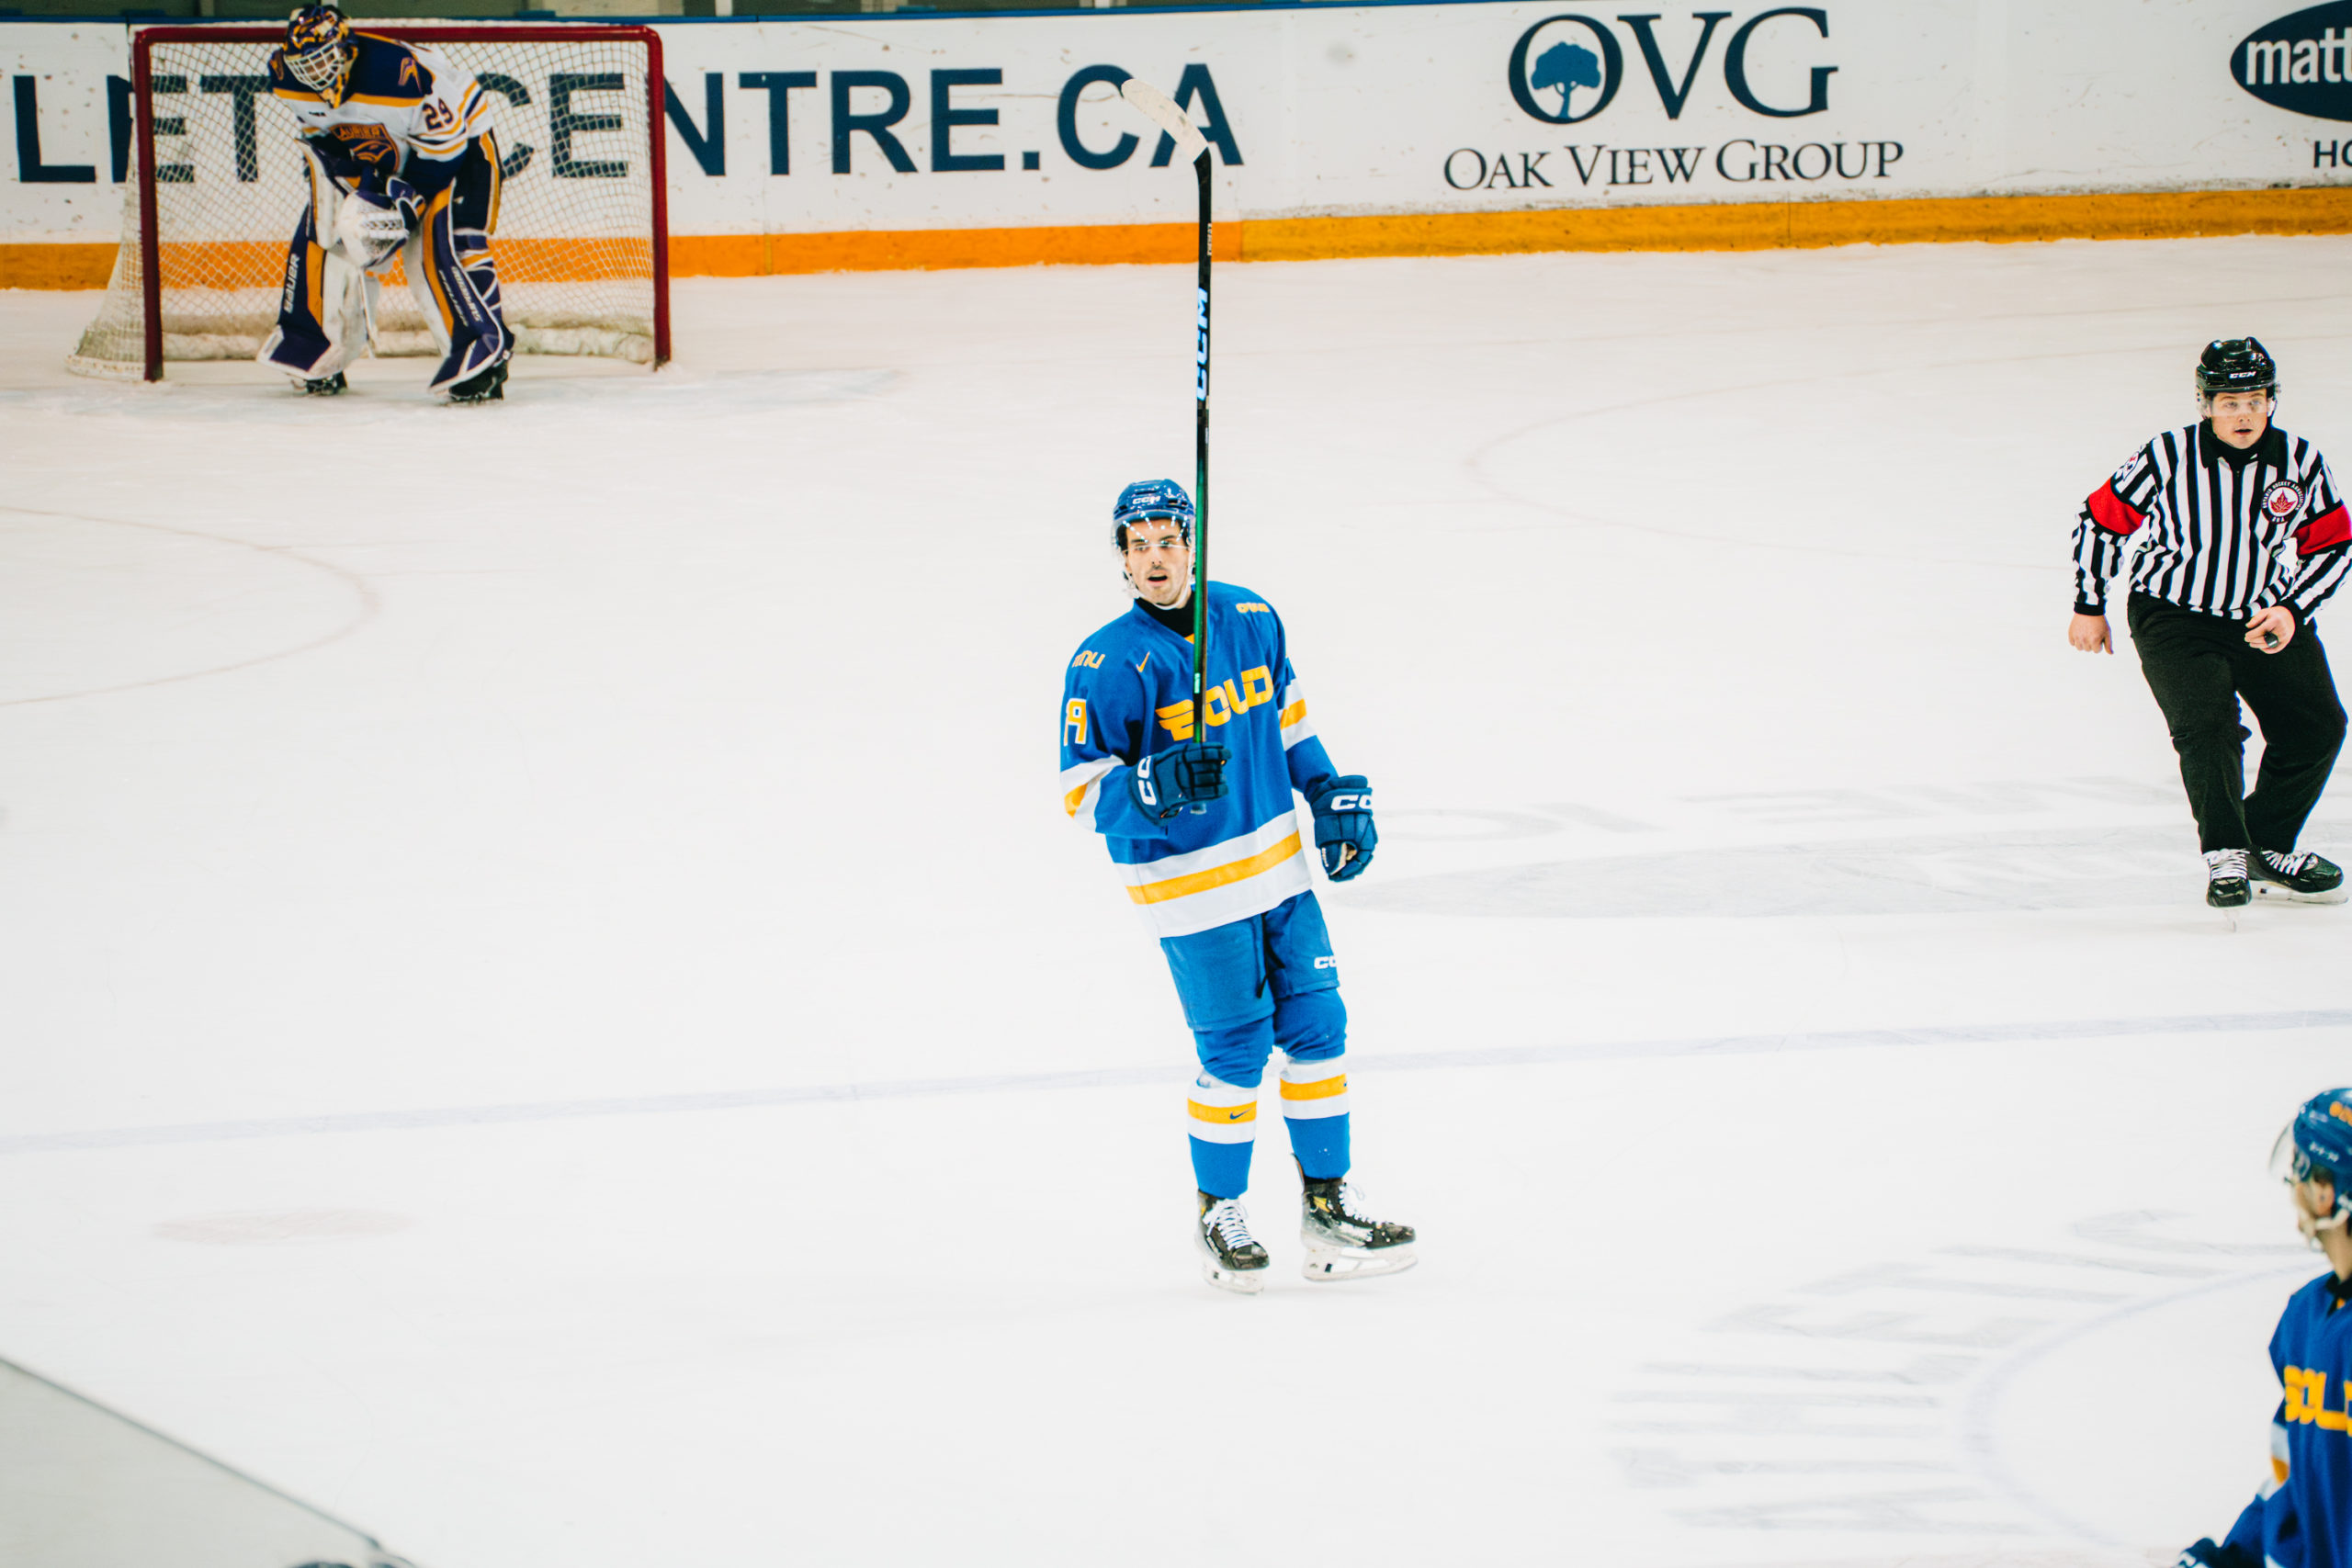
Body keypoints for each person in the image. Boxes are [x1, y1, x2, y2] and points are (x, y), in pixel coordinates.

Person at [1057, 479, 1416, 1293]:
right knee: (1238, 1051)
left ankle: (1329, 1208)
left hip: (1281, 872)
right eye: (1137, 544)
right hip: (1194, 891)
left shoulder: (1251, 618)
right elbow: (1080, 793)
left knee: (1320, 1031)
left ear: (1195, 542)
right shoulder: (1106, 661)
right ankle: (1219, 1211)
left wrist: (1325, 791)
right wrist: (1152, 783)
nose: (1155, 558)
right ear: (1121, 557)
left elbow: (1288, 720)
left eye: (1168, 540)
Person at [2069, 338, 2350, 908]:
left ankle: (2263, 845)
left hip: (2263, 615)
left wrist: (2292, 610)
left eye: (2253, 399)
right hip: (2174, 618)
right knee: (2210, 730)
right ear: (2205, 404)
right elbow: (2100, 522)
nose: (2242, 413)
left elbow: (2334, 544)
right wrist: (2089, 604)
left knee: (2317, 727)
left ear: (2271, 400)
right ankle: (2225, 853)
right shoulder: (2165, 455)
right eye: (2228, 401)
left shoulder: (2300, 460)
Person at [256, 5, 514, 402]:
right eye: (306, 64)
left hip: (459, 143)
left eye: (324, 58)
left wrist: (408, 202)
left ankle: (486, 357)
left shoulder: (399, 74)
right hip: (383, 146)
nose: (316, 73)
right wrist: (368, 191)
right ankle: (322, 351)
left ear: (346, 49)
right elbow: (325, 136)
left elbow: (444, 153)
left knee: (456, 243)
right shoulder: (287, 80)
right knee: (339, 235)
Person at [2177, 1089, 2352, 1568]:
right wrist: (2236, 1558)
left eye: (2301, 1170)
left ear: (2326, 1189)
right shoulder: (2307, 1317)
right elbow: (2294, 1477)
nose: (2292, 1186)